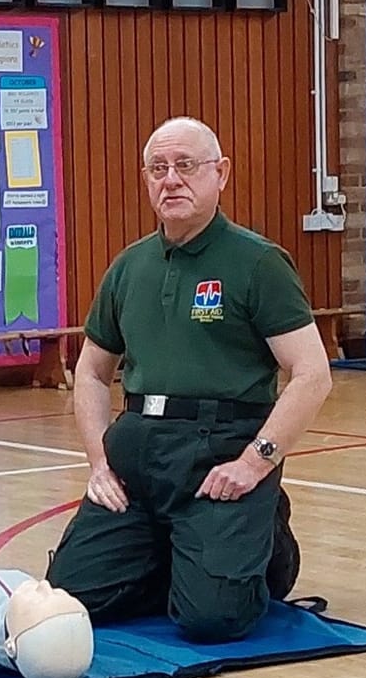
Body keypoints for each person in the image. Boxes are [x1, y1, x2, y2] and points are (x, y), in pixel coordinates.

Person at [47, 116, 333, 643]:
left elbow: (312, 374)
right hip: (137, 456)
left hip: (218, 456)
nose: (171, 180)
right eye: (158, 168)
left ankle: (264, 539)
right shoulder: (129, 267)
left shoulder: (258, 263)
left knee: (212, 620)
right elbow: (90, 371)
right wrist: (99, 464)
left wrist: (255, 463)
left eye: (186, 165)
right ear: (145, 179)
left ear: (220, 173)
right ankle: (187, 552)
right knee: (68, 597)